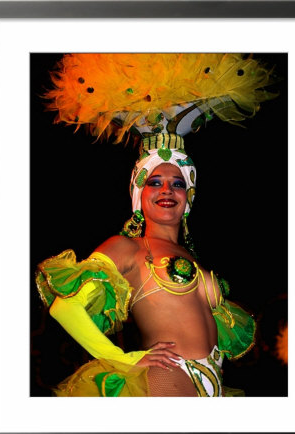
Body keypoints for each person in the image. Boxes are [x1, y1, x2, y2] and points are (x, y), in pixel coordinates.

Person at [36, 53, 276, 396]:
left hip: (215, 381)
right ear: (138, 194)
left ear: (189, 197)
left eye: (178, 183)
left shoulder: (188, 254)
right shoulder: (128, 248)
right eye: (155, 182)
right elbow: (65, 307)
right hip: (169, 374)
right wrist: (120, 357)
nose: (167, 190)